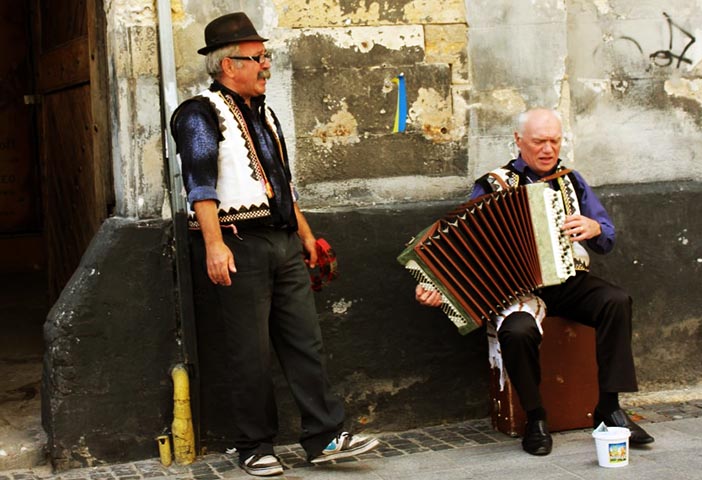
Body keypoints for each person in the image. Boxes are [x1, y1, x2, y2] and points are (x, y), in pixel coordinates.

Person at [170, 12, 378, 477]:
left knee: (306, 341)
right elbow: (199, 185)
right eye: (259, 58)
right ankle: (253, 445)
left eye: (266, 56)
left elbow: (284, 182)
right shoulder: (199, 114)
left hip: (283, 242)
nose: (267, 65)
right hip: (238, 243)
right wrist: (214, 245)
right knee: (250, 351)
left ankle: (325, 436)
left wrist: (305, 235)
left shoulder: (265, 113)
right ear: (229, 65)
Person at [415, 108, 654, 456]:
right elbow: (462, 243)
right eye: (539, 141)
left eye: (554, 141)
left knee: (615, 300)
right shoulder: (492, 185)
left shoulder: (572, 180)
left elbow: (606, 236)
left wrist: (595, 228)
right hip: (517, 289)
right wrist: (439, 287)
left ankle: (609, 408)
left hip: (566, 280)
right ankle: (536, 417)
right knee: (516, 331)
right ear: (518, 141)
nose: (548, 149)